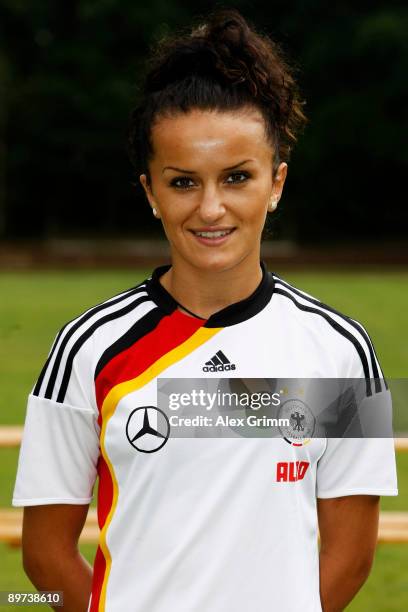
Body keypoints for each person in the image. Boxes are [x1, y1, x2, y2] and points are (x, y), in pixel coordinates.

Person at [12, 8, 398, 612]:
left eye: (238, 177)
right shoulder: (87, 348)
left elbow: (350, 557)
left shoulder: (340, 350)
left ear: (276, 184)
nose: (211, 208)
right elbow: (44, 555)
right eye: (184, 182)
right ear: (150, 192)